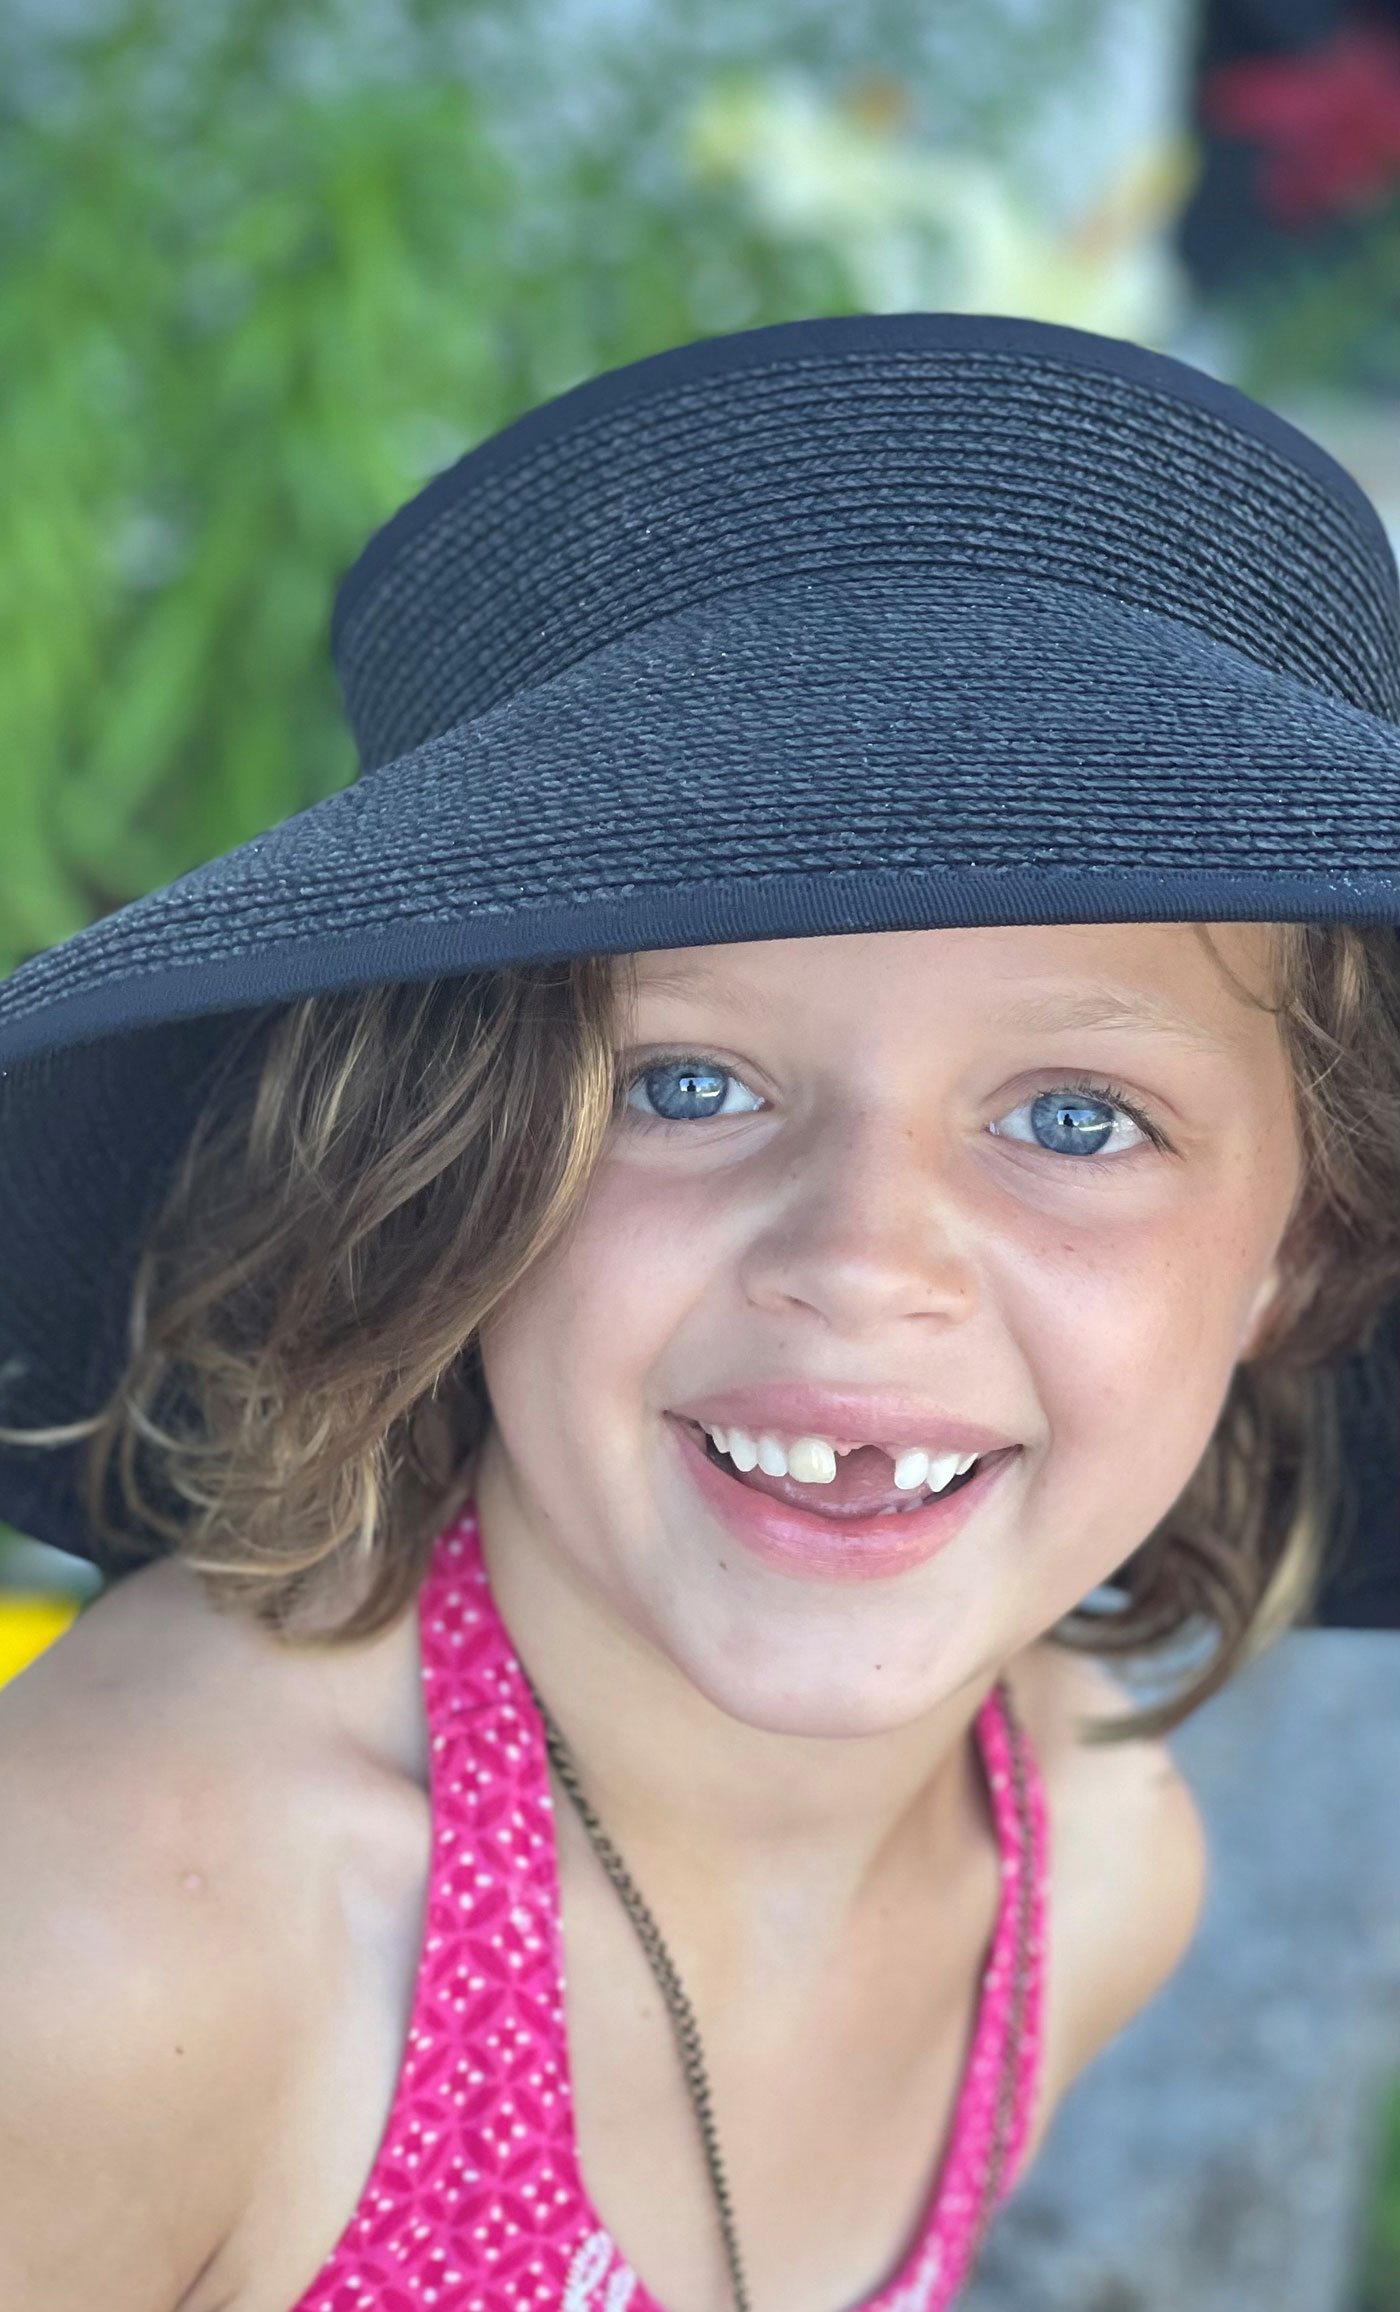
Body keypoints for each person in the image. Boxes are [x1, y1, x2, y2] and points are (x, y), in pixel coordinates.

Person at [0, 313, 1395, 2312]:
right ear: (440, 1163)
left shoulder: (1082, 1868)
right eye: (682, 1083)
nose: (860, 1258)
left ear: (1306, 1243)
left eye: (1075, 1117)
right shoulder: (127, 1937)